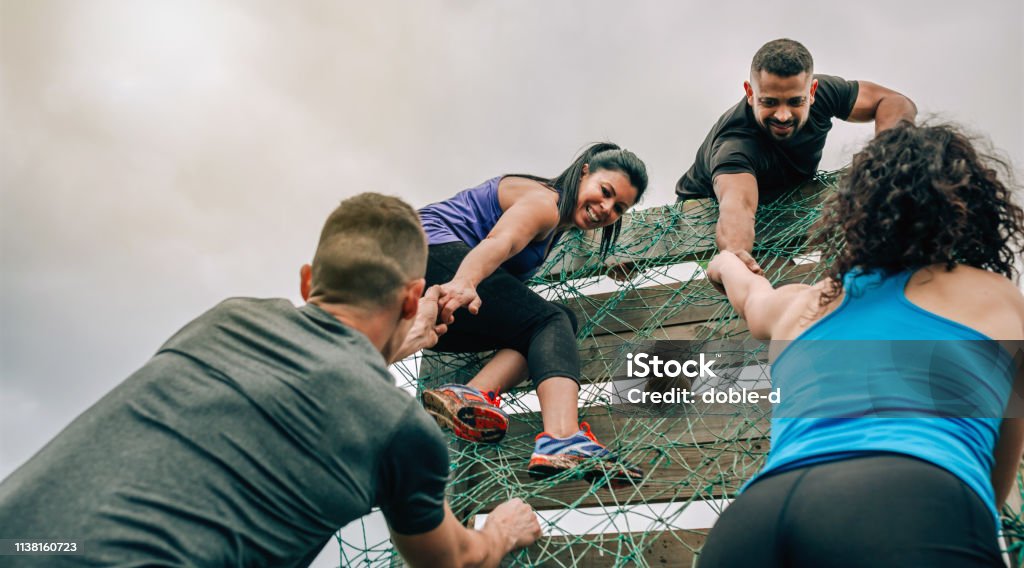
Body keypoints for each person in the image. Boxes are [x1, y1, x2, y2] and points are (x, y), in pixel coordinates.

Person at [0, 193, 541, 567]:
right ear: (409, 296)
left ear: (308, 281)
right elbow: (450, 559)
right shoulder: (401, 429)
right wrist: (501, 531)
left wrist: (399, 336)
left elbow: (327, 357)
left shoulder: (226, 318)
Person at [698, 122, 1024, 567]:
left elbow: (750, 294)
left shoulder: (804, 303)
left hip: (753, 522)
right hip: (909, 506)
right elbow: (996, 465)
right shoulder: (998, 298)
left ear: (856, 212)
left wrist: (722, 263)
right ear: (968, 211)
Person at [418, 142, 647, 483]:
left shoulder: (560, 224)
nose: (606, 208)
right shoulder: (545, 203)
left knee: (551, 325)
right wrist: (465, 281)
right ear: (584, 171)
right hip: (425, 256)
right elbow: (501, 241)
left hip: (437, 299)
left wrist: (609, 265)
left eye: (619, 207)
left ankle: (469, 396)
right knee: (551, 320)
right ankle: (563, 437)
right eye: (605, 191)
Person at [676, 38, 917, 274]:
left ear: (811, 92)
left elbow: (893, 101)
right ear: (750, 93)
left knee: (850, 256)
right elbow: (739, 207)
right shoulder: (735, 145)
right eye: (769, 102)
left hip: (782, 196)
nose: (783, 115)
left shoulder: (825, 93)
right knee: (776, 282)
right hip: (707, 212)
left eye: (795, 102)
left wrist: (887, 155)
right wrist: (734, 254)